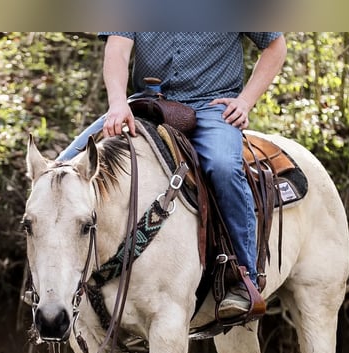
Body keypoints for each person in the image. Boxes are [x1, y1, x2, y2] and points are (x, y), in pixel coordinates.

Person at [61, 33, 287, 320]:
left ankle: (243, 278)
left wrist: (245, 102)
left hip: (210, 108)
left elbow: (275, 45)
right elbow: (117, 48)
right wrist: (117, 103)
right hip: (145, 103)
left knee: (223, 167)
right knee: (61, 168)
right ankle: (54, 282)